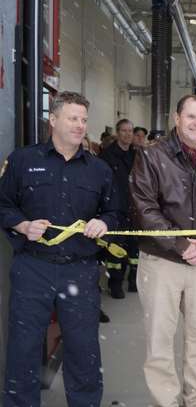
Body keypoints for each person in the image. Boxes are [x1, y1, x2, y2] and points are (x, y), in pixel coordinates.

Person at [0, 91, 121, 406]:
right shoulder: (23, 161)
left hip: (80, 270)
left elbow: (114, 212)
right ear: (53, 120)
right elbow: (3, 205)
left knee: (83, 349)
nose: (80, 125)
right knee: (23, 347)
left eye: (83, 119)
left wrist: (104, 223)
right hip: (32, 268)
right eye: (72, 118)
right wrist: (23, 226)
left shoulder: (99, 170)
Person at [129, 94, 196, 407]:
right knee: (159, 340)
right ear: (177, 118)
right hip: (161, 260)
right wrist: (180, 244)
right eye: (191, 116)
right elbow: (143, 208)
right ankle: (166, 402)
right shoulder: (151, 156)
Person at [99, 118, 139, 298]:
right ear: (117, 132)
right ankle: (115, 283)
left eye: (130, 131)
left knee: (135, 248)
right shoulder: (107, 156)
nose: (128, 134)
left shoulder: (137, 155)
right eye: (124, 131)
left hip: (135, 209)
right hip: (115, 209)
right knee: (116, 249)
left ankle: (133, 281)